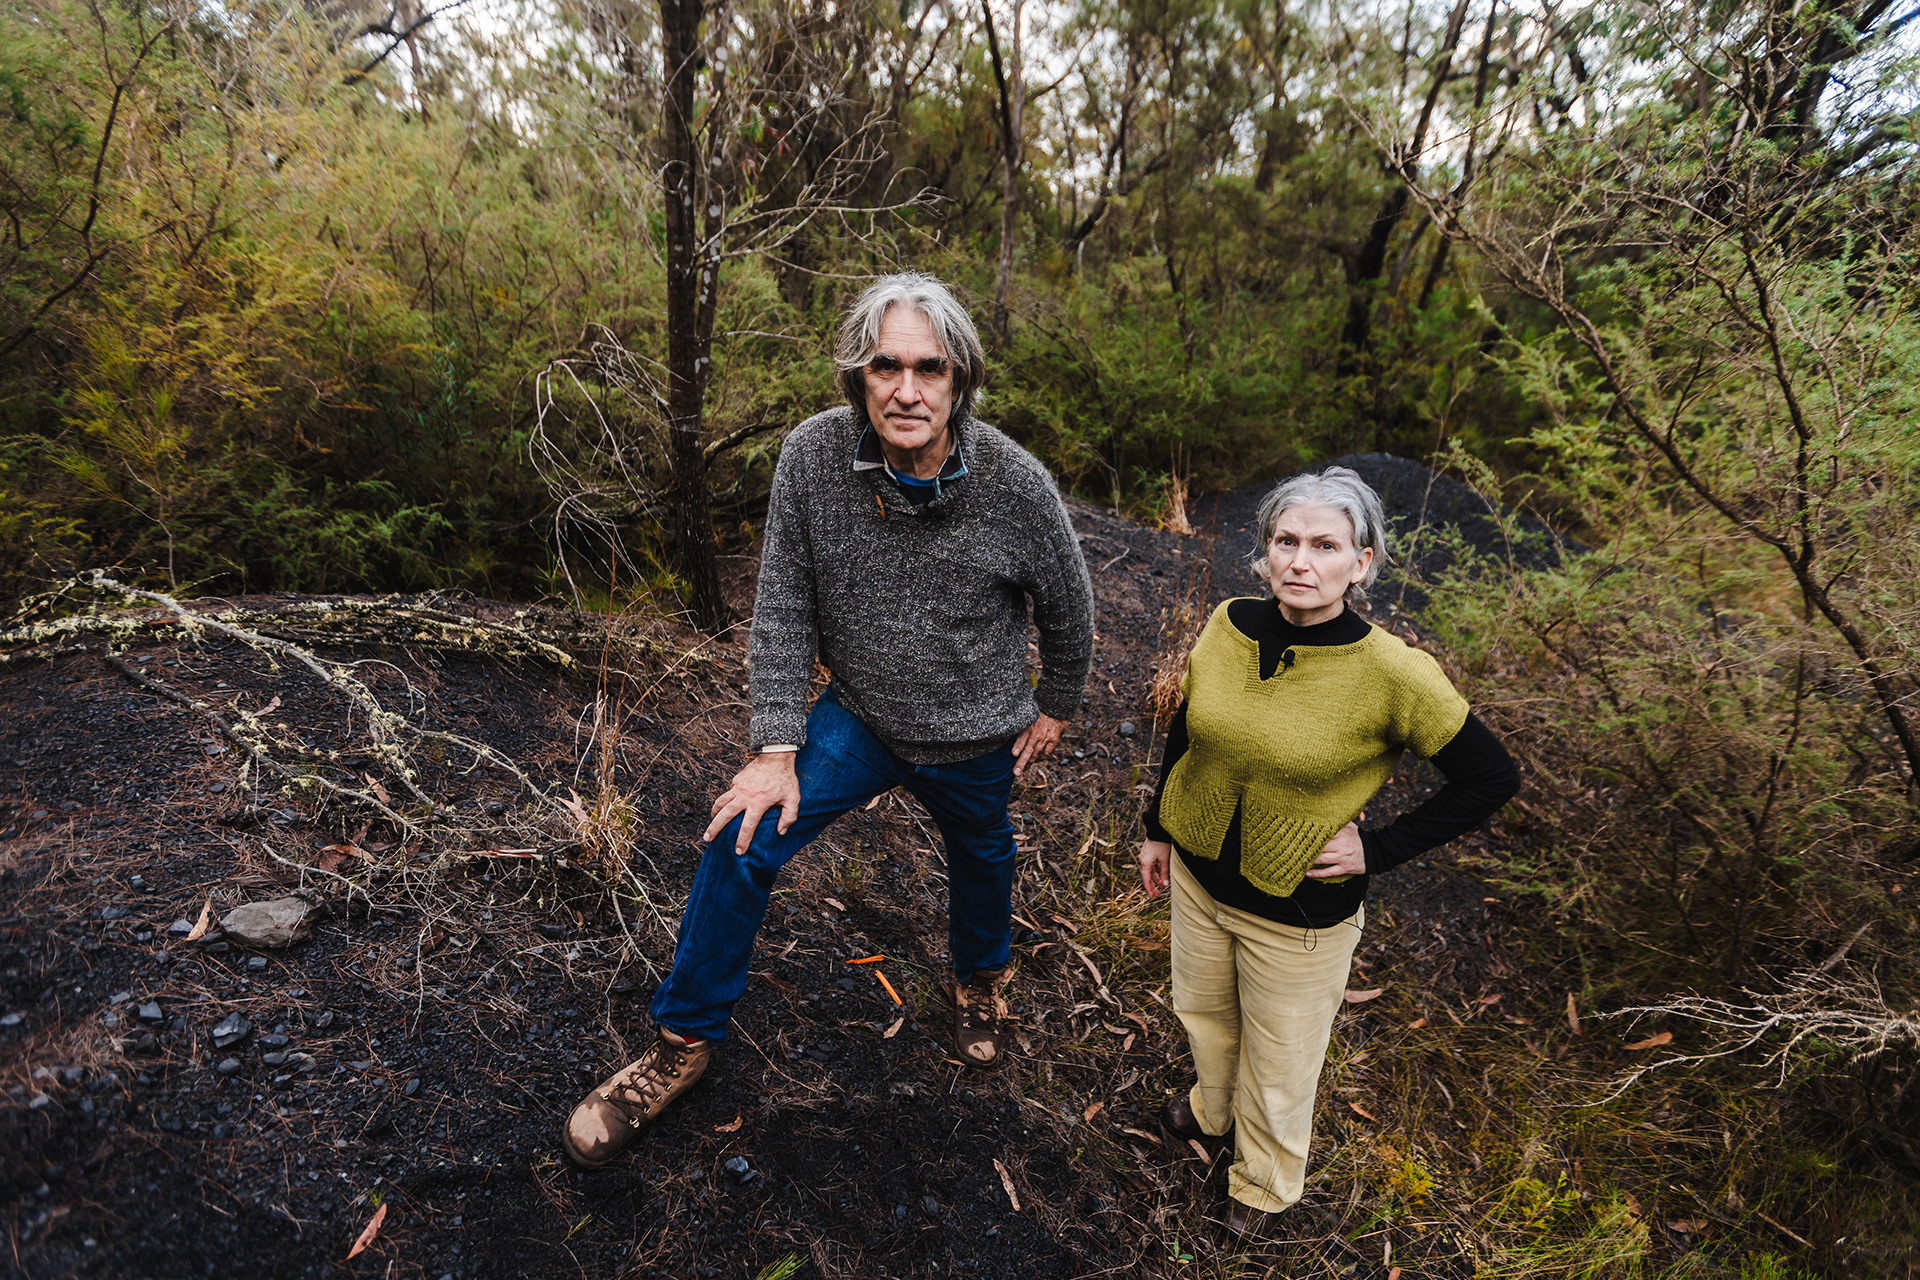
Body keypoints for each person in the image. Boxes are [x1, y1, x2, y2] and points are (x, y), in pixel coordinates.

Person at [562, 273, 1096, 1169]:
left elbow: (1071, 610)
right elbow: (781, 609)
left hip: (974, 733)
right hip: (859, 719)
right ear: (859, 374)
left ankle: (978, 980)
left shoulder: (1016, 483)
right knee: (741, 833)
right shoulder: (813, 459)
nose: (907, 388)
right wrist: (775, 747)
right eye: (886, 364)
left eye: (930, 368)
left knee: (984, 858)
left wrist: (1059, 706)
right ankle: (681, 1045)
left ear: (960, 379)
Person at [1136, 466, 1519, 1238]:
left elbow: (1490, 777)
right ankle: (1212, 1113)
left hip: (1298, 915)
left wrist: (1377, 849)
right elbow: (1189, 728)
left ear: (1362, 562)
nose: (1300, 561)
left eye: (1324, 545)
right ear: (1265, 550)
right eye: (1285, 540)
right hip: (1200, 879)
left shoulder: (1394, 673)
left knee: (1280, 1067)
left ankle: (1264, 1186)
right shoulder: (1227, 623)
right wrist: (1157, 826)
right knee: (1204, 1015)